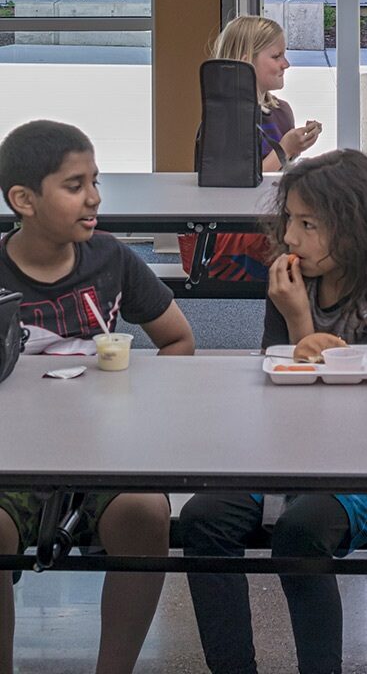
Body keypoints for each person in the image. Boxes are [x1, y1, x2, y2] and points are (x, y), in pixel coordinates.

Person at [179, 150, 367, 674]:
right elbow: (281, 380)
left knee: (300, 532)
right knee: (202, 519)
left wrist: (299, 322)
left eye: (308, 224)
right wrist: (293, 323)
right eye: (289, 221)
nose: (292, 238)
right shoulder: (294, 281)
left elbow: (359, 410)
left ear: (355, 228)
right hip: (291, 445)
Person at [0, 120, 194, 674]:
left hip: (104, 454)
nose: (94, 197)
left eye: (96, 181)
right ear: (24, 200)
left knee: (145, 513)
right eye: (74, 184)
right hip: (13, 461)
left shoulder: (111, 260)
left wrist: (139, 403)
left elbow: (179, 339)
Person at [180, 16, 323, 283]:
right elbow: (238, 183)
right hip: (230, 235)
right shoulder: (223, 122)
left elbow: (275, 174)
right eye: (277, 56)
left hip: (268, 220)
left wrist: (296, 149)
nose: (286, 64)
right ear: (246, 61)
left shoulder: (282, 111)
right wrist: (285, 148)